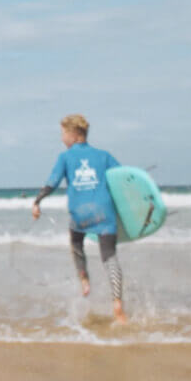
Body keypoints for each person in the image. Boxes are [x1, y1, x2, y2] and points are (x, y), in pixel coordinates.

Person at [32, 114, 128, 324]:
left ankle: (84, 279)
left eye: (63, 134)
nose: (61, 139)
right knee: (109, 258)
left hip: (80, 214)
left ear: (74, 135)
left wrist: (37, 201)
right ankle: (118, 304)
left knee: (76, 243)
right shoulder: (104, 155)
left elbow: (52, 182)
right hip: (104, 212)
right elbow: (124, 179)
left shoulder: (64, 157)